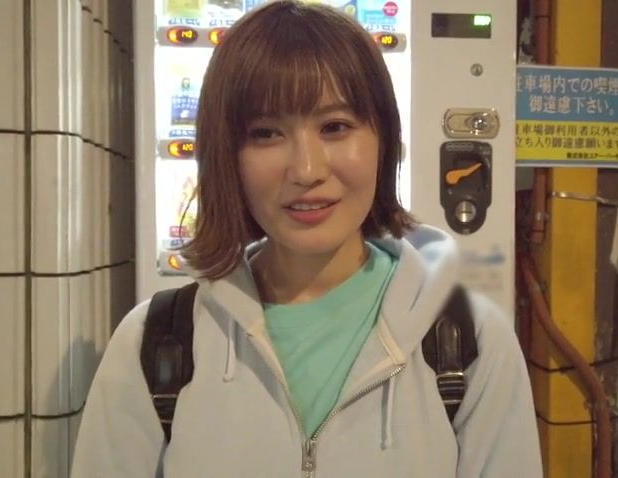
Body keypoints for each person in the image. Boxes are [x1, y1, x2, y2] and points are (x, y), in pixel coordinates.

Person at [70, 2, 542, 476]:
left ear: (383, 139)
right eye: (266, 133)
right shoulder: (154, 344)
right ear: (226, 155)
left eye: (335, 127)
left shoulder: (471, 342)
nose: (307, 170)